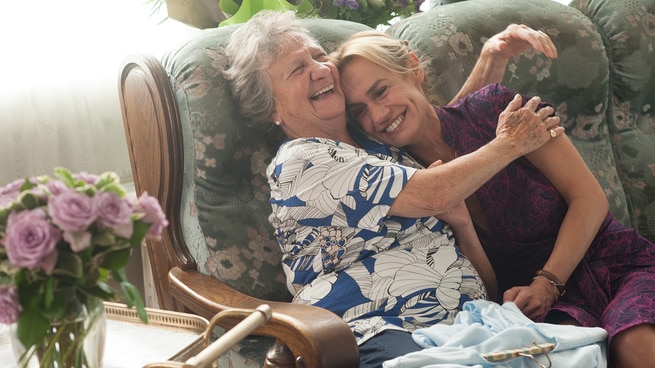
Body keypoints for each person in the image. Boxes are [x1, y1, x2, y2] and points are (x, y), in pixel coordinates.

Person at [224, 10, 563, 368]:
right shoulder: (300, 161)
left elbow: (438, 126)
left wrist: (489, 59)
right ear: (270, 110)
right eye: (297, 69)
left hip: (468, 322)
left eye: (320, 56)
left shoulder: (368, 139)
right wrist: (511, 142)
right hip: (379, 330)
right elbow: (436, 191)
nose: (321, 69)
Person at [331, 29, 655, 368]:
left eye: (381, 91)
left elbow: (589, 198)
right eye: (360, 111)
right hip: (538, 308)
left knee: (636, 348)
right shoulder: (406, 187)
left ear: (413, 68)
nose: (379, 115)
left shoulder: (497, 110)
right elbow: (476, 282)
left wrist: (547, 282)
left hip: (612, 264)